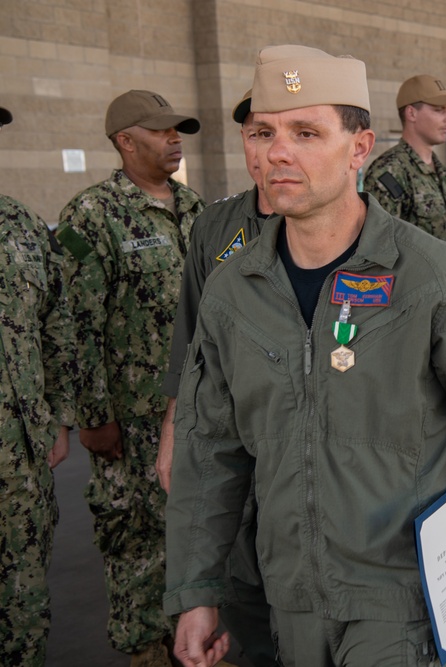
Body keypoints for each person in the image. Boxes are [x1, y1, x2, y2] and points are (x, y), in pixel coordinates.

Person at [164, 45, 446, 667]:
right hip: (288, 598)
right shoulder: (234, 292)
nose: (277, 152)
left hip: (401, 600)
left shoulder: (428, 277)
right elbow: (211, 453)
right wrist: (197, 589)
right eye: (263, 132)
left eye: (306, 132)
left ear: (360, 147)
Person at [54, 89, 205, 665]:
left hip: (194, 410)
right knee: (138, 541)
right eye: (161, 131)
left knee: (196, 530)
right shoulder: (92, 215)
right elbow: (75, 325)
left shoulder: (194, 208)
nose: (174, 140)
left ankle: (190, 645)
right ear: (125, 141)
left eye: (177, 131)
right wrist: (93, 417)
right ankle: (147, 652)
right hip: (131, 416)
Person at [156, 89, 276, 667]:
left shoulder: (359, 226)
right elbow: (192, 342)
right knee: (243, 587)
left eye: (294, 133)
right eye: (257, 134)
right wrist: (173, 432)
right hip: (233, 437)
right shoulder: (217, 227)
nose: (269, 151)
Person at [0, 103, 75, 667]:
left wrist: (56, 416)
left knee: (23, 606)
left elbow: (55, 324)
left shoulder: (20, 224)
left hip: (21, 462)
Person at [363, 73, 446, 241]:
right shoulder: (389, 172)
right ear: (411, 113)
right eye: (439, 110)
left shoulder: (441, 171)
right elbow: (381, 245)